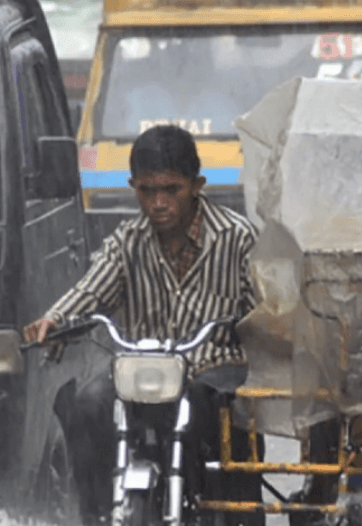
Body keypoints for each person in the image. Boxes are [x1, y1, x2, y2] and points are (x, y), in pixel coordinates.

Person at [22, 124, 263, 526]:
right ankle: (98, 512)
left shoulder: (237, 239)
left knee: (232, 421)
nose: (159, 203)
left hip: (211, 371)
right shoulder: (126, 241)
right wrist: (56, 319)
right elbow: (91, 289)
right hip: (138, 371)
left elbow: (263, 312)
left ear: (196, 185)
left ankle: (236, 514)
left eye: (171, 189)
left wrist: (266, 330)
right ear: (134, 187)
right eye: (147, 191)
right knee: (85, 406)